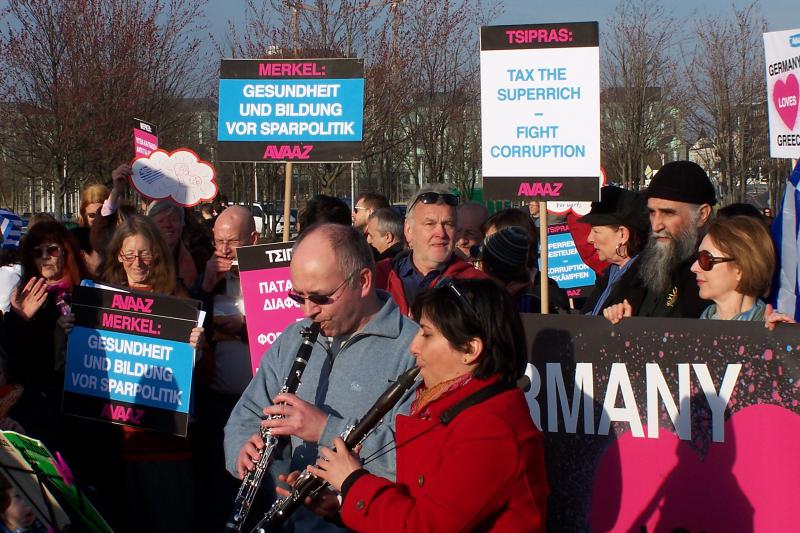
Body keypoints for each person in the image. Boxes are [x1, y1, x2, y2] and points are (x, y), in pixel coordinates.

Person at [306, 278, 548, 532]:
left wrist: (354, 481)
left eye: (427, 335)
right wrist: (343, 502)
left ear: (470, 349)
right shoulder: (445, 406)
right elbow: (416, 501)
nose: (414, 347)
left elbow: (423, 526)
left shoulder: (491, 428)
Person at [224, 223, 418, 532]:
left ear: (363, 282)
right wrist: (241, 449)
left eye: (321, 297)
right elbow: (246, 414)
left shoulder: (415, 349)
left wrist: (325, 429)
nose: (307, 310)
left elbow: (416, 461)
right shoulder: (293, 337)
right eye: (297, 296)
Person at [101, 214, 203, 533]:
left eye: (144, 253)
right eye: (130, 254)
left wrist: (195, 351)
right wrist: (71, 334)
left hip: (166, 443)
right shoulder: (104, 301)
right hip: (118, 441)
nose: (138, 262)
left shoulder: (177, 301)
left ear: (156, 254)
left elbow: (201, 373)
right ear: (119, 255)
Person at [191, 205, 258, 532]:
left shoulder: (268, 276)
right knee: (222, 490)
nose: (224, 251)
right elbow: (186, 328)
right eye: (218, 242)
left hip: (263, 406)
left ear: (253, 239)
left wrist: (245, 326)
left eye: (232, 242)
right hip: (219, 404)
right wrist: (204, 287)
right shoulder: (208, 280)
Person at [604, 161, 716, 322]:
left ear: (702, 214)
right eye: (652, 213)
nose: (656, 225)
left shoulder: (719, 272)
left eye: (668, 213)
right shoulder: (640, 268)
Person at [376, 185, 486, 316]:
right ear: (408, 230)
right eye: (430, 224)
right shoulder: (378, 277)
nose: (440, 233)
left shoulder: (479, 286)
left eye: (448, 224)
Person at [688, 216, 790, 327]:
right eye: (697, 258)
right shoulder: (689, 333)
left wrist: (789, 340)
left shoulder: (773, 329)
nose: (693, 267)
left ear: (740, 269)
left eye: (705, 259)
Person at [579, 186, 649, 316]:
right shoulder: (611, 274)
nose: (589, 239)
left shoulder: (642, 284)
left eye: (596, 231)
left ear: (622, 234)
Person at [478, 226, 565, 313]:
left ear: (488, 267)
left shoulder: (525, 304)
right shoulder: (533, 295)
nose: (478, 267)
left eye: (480, 262)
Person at [146, 200, 199, 291]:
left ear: (182, 224)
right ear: (151, 226)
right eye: (161, 221)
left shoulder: (197, 256)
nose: (168, 225)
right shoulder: (143, 258)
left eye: (173, 220)